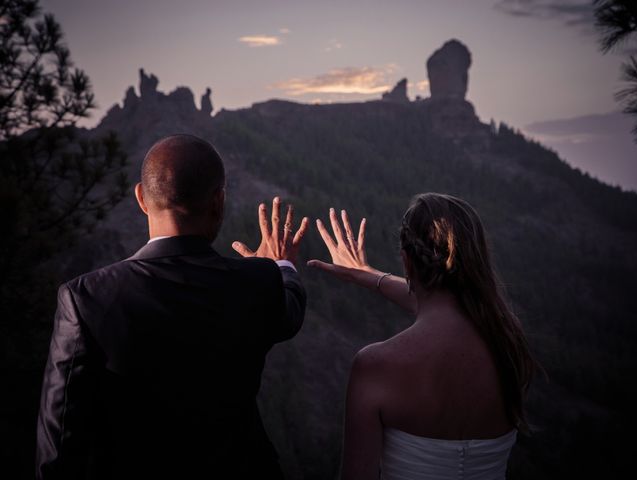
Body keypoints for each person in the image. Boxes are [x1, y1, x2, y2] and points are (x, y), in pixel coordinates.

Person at [36, 134, 309, 479]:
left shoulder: (85, 298)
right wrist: (281, 266)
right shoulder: (256, 283)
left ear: (141, 198)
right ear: (218, 201)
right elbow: (290, 313)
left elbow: (59, 442)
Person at [308, 194, 536, 480]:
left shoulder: (376, 366)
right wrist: (371, 276)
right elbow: (451, 304)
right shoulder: (508, 340)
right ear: (478, 259)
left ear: (407, 262)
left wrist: (370, 275)